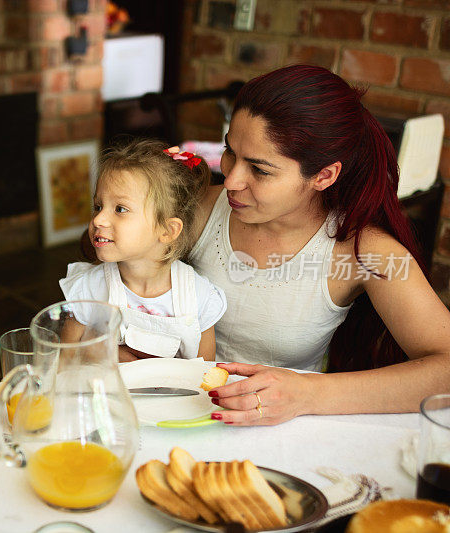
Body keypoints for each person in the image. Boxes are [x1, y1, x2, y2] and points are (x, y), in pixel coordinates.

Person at [186, 64, 450, 426]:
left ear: (324, 176)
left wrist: (308, 393)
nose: (231, 180)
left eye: (260, 170)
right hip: (179, 410)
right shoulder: (196, 209)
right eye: (230, 152)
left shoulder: (361, 250)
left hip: (290, 433)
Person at [60, 138, 227, 361]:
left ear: (167, 230)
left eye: (120, 209)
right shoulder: (88, 291)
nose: (98, 219)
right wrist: (100, 353)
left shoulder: (199, 298)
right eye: (98, 206)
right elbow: (64, 363)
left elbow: (205, 377)